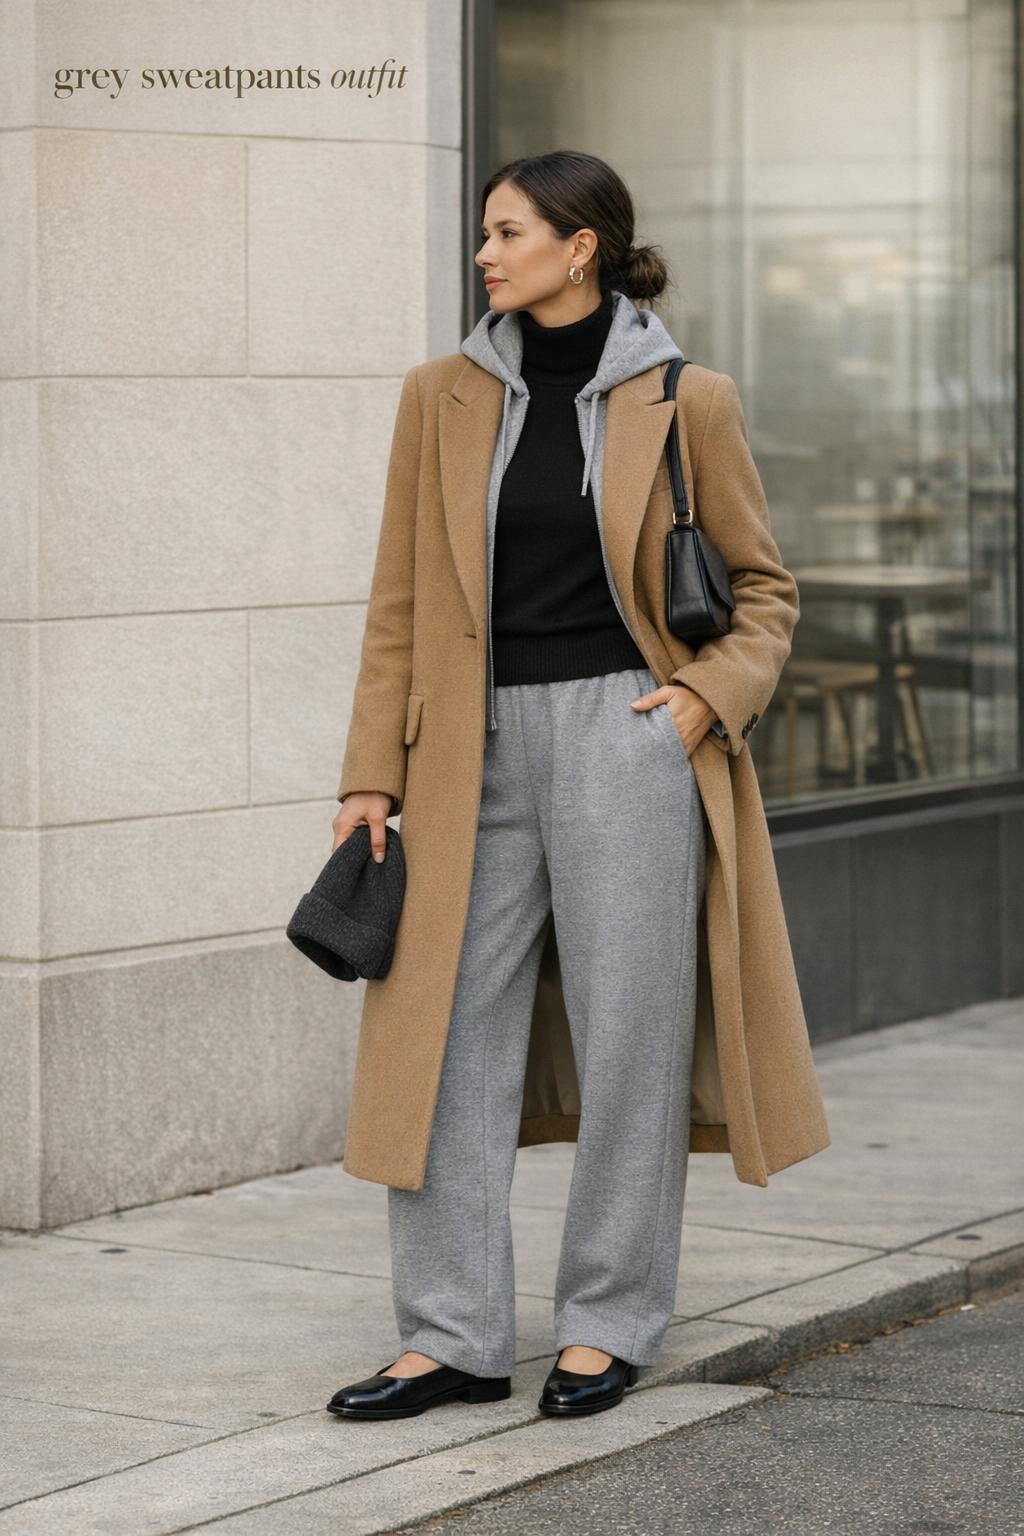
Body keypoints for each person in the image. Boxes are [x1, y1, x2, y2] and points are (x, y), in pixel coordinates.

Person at [325, 150, 825, 1423]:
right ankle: (450, 1335)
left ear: (580, 246)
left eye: (508, 233)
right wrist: (370, 773)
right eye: (485, 234)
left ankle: (608, 1321)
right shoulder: (438, 395)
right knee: (443, 1038)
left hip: (629, 732)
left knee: (630, 1037)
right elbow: (399, 601)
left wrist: (702, 700)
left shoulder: (686, 397)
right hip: (467, 748)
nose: (485, 255)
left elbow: (763, 591)